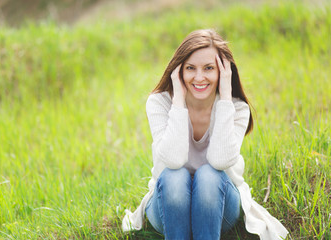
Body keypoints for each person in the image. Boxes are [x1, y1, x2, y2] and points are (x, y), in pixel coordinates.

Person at [122, 29, 289, 240]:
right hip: (168, 209)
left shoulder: (237, 109)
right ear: (178, 71)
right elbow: (174, 161)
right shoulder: (159, 103)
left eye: (209, 68)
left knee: (209, 175)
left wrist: (226, 96)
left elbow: (220, 161)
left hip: (219, 207)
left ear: (223, 71)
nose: (199, 77)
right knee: (175, 176)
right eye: (190, 68)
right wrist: (179, 103)